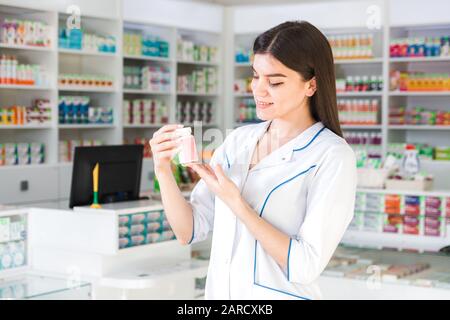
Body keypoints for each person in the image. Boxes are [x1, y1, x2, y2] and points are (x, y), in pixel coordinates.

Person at [149, 21, 357, 300]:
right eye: (256, 76)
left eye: (275, 82)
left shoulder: (332, 155)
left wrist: (237, 203)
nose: (259, 90)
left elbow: (304, 266)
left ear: (311, 85)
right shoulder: (238, 141)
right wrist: (163, 170)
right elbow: (189, 230)